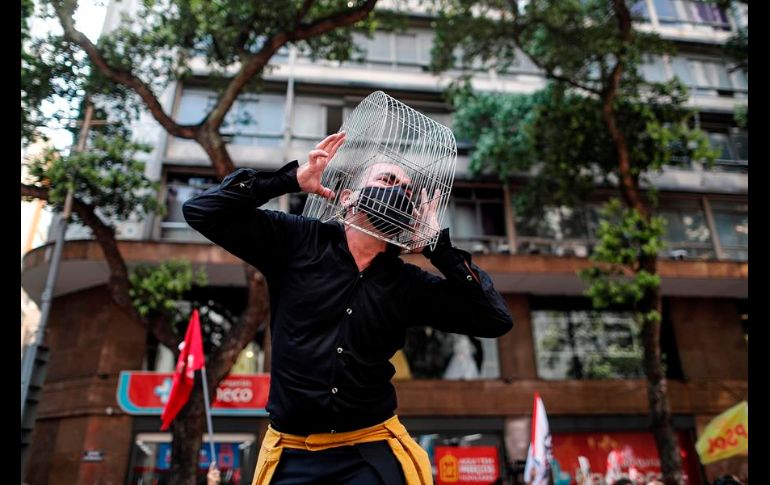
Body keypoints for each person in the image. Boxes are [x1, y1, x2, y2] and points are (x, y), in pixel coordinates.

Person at [183, 132, 514, 485]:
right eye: (387, 180)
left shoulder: (408, 284)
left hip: (370, 449)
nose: (398, 191)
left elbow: (495, 318)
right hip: (293, 453)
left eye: (405, 190)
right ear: (348, 197)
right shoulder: (296, 241)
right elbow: (202, 211)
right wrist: (290, 180)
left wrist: (437, 247)